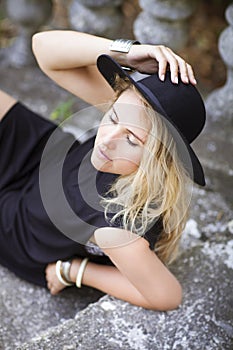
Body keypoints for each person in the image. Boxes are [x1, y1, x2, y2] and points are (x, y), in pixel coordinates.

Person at [0, 30, 206, 311]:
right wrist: (126, 52)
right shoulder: (134, 111)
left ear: (156, 159)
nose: (106, 141)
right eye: (112, 117)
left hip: (18, 225)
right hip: (42, 157)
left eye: (132, 140)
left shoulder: (117, 224)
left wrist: (76, 271)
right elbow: (44, 49)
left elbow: (166, 296)